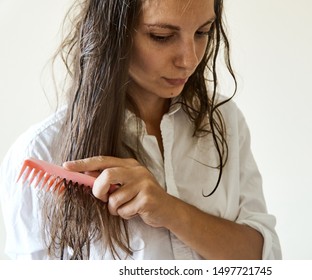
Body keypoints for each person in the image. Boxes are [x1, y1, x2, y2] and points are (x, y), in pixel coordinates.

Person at [0, 0, 281, 260]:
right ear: (113, 32)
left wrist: (171, 211)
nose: (189, 59)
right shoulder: (41, 150)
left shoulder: (223, 120)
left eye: (202, 32)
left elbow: (266, 258)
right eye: (161, 36)